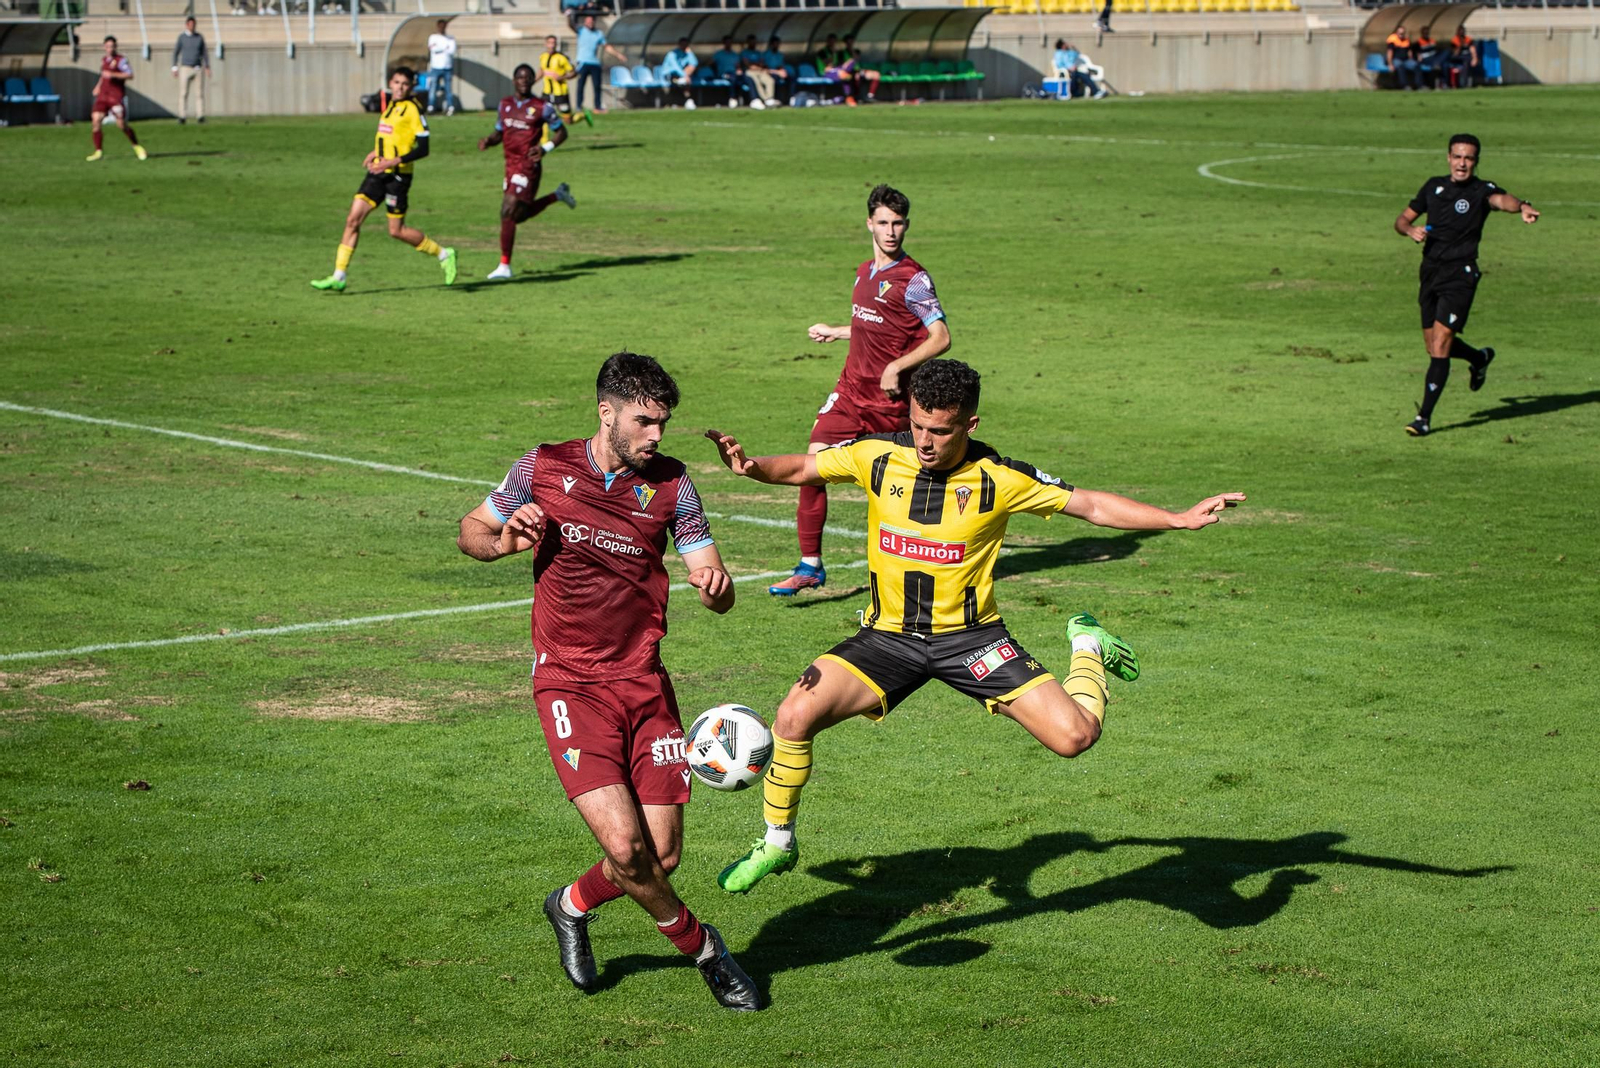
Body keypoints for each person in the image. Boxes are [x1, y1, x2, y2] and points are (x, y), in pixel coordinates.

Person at [705, 359, 1247, 893]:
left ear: (970, 425)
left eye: (939, 431)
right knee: (794, 715)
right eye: (918, 425)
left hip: (971, 640)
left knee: (1075, 737)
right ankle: (777, 842)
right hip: (889, 639)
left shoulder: (1001, 479)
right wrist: (752, 467)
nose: (924, 440)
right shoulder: (878, 456)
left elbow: (1092, 506)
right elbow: (805, 468)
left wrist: (1176, 517)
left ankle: (1087, 645)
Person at [455, 352, 763, 1012]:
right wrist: (506, 540)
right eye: (645, 422)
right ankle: (705, 949)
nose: (656, 437)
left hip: (646, 686)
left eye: (663, 424)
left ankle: (568, 905)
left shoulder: (675, 487)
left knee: (660, 856)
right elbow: (471, 530)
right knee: (626, 846)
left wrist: (716, 588)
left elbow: (713, 579)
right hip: (570, 685)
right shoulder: (542, 467)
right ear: (607, 412)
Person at [768, 184, 950, 596]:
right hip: (850, 392)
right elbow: (874, 324)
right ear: (869, 223)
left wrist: (898, 366)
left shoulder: (914, 280)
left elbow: (940, 337)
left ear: (906, 226)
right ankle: (810, 565)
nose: (891, 231)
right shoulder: (864, 272)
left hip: (889, 402)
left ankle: (923, 560)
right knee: (811, 468)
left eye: (898, 223)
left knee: (896, 489)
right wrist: (838, 330)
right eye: (883, 222)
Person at [1393, 133, 1539, 437]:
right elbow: (1401, 220)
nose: (1462, 163)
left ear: (1476, 161)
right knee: (1432, 345)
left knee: (1441, 344)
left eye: (1469, 158)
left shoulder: (1481, 191)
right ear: (1448, 158)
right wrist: (1410, 230)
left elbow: (1503, 201)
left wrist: (1522, 205)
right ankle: (1479, 357)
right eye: (1458, 156)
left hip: (1461, 274)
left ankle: (1423, 418)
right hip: (1430, 271)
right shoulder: (1433, 186)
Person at [310, 67, 457, 293]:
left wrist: (393, 161)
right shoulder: (391, 105)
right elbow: (391, 135)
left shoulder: (413, 110)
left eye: (405, 84)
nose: (400, 87)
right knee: (352, 220)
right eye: (397, 82)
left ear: (411, 87)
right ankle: (339, 275)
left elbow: (424, 149)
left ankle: (444, 254)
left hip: (398, 176)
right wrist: (375, 151)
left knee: (396, 231)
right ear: (391, 82)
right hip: (378, 171)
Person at [479, 64, 577, 281]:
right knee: (517, 217)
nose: (523, 81)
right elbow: (499, 133)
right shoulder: (504, 105)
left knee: (507, 211)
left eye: (528, 78)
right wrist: (488, 141)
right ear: (514, 80)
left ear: (533, 81)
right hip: (510, 165)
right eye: (520, 77)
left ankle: (504, 266)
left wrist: (544, 148)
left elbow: (562, 132)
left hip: (527, 165)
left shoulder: (542, 107)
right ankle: (557, 195)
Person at [87, 36, 146, 162]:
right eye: (107, 46)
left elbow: (130, 75)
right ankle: (98, 151)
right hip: (103, 95)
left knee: (121, 124)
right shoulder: (104, 60)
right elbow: (103, 76)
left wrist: (113, 74)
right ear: (104, 47)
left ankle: (137, 146)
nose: (110, 49)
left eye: (112, 46)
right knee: (96, 120)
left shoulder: (121, 60)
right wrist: (97, 87)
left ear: (115, 47)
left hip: (115, 96)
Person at [574, 14, 627, 115]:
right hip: (582, 62)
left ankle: (597, 107)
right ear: (585, 22)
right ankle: (578, 106)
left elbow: (606, 46)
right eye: (588, 21)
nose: (590, 23)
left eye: (591, 21)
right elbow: (571, 25)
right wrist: (569, 15)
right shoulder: (581, 31)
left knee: (597, 86)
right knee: (581, 85)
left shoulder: (598, 33)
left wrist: (618, 55)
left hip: (594, 63)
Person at [171, 17, 211, 125]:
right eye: (190, 24)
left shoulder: (199, 37)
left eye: (194, 24)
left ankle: (200, 116)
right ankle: (182, 116)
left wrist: (207, 66)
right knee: (183, 93)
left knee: (199, 93)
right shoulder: (182, 38)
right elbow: (176, 52)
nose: (192, 26)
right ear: (186, 25)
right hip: (185, 68)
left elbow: (204, 52)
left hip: (197, 67)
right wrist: (174, 67)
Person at [711, 35, 761, 109]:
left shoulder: (734, 55)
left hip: (734, 73)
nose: (729, 44)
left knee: (748, 79)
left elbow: (737, 66)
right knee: (732, 79)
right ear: (724, 43)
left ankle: (754, 99)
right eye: (727, 42)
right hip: (724, 74)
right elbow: (711, 64)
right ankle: (733, 98)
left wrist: (739, 70)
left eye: (730, 42)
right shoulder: (718, 54)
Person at [816, 34, 856, 106]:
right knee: (844, 75)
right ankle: (848, 97)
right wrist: (833, 54)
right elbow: (828, 64)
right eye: (831, 41)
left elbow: (838, 63)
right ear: (828, 41)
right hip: (825, 73)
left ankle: (847, 97)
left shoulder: (837, 52)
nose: (832, 43)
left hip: (836, 71)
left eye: (834, 41)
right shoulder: (822, 52)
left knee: (849, 65)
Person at [659, 37, 698, 110]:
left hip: (680, 75)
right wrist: (685, 76)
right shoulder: (672, 54)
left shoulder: (686, 54)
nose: (684, 46)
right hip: (669, 75)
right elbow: (675, 67)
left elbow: (694, 63)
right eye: (683, 44)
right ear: (679, 44)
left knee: (690, 67)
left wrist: (690, 52)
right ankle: (687, 98)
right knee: (685, 79)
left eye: (686, 45)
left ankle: (687, 98)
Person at [740, 34, 777, 108]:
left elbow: (761, 63)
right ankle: (765, 99)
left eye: (754, 42)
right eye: (751, 42)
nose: (753, 43)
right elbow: (748, 65)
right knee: (757, 82)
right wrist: (755, 65)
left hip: (760, 71)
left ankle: (770, 98)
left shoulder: (758, 53)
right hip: (750, 72)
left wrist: (755, 65)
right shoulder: (744, 52)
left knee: (770, 80)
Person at [841, 35, 880, 103]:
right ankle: (857, 96)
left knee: (876, 74)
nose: (850, 43)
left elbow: (857, 61)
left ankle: (870, 96)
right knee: (857, 77)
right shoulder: (841, 53)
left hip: (858, 70)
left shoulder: (855, 52)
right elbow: (843, 67)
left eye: (852, 41)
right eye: (849, 42)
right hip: (849, 72)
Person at [1385, 24, 1422, 91]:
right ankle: (1404, 85)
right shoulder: (1392, 40)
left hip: (1406, 60)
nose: (1401, 35)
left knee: (1416, 65)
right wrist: (1390, 64)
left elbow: (1409, 51)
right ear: (1397, 33)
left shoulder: (1406, 40)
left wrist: (1412, 60)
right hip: (1396, 60)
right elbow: (1389, 53)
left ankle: (1419, 85)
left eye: (1403, 33)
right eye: (1400, 33)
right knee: (1400, 66)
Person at [761, 36, 792, 107]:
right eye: (775, 44)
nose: (777, 45)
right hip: (770, 73)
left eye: (778, 44)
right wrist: (778, 72)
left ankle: (791, 98)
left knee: (791, 78)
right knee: (774, 79)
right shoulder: (766, 54)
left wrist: (783, 71)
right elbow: (765, 68)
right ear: (771, 45)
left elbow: (780, 66)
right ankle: (772, 99)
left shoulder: (779, 55)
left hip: (778, 73)